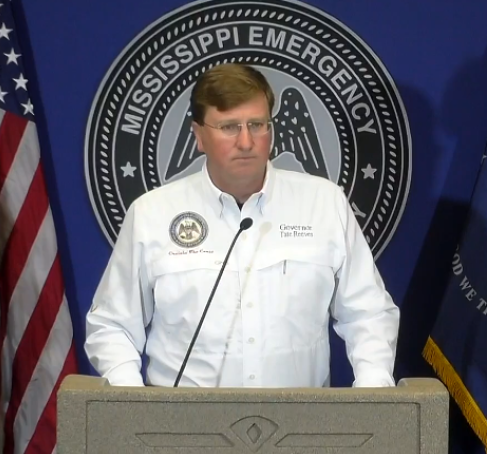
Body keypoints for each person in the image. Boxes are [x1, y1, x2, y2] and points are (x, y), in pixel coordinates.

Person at [85, 63, 399, 389]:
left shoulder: (324, 203)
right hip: (181, 430)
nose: (246, 141)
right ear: (198, 136)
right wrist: (133, 408)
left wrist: (373, 399)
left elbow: (369, 314)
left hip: (299, 428)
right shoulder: (152, 213)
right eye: (230, 127)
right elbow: (112, 325)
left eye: (257, 125)